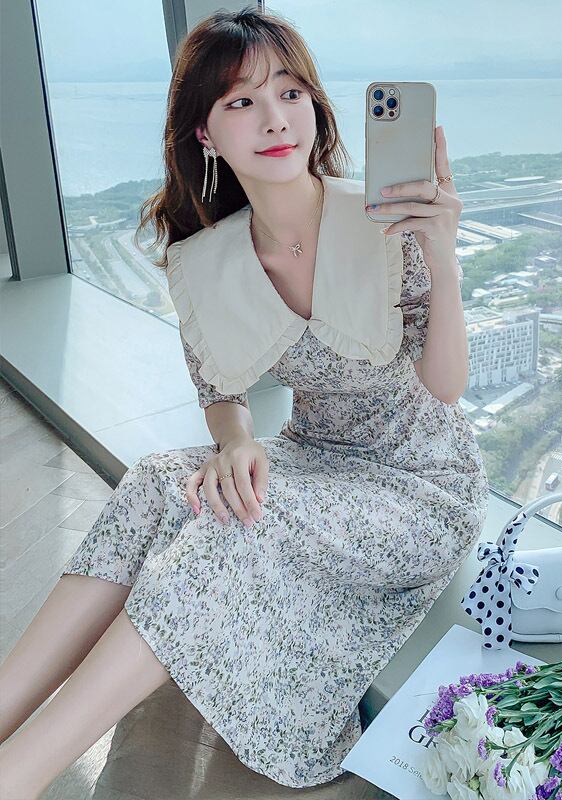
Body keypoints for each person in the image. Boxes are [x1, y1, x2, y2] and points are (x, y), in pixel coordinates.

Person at [0, 6, 489, 796]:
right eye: (242, 101)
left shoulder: (385, 223)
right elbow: (217, 387)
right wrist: (234, 440)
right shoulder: (209, 259)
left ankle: (16, 776)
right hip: (314, 458)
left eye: (291, 93)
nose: (275, 119)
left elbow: (447, 386)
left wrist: (442, 254)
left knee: (236, 518)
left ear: (315, 107)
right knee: (158, 482)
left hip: (419, 486)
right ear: (206, 133)